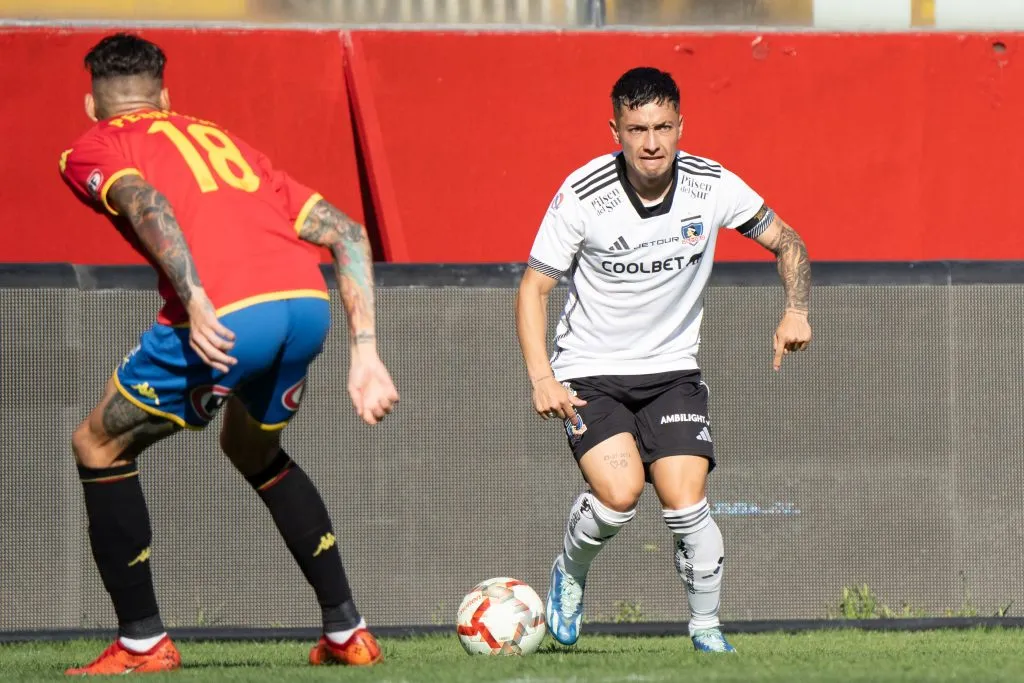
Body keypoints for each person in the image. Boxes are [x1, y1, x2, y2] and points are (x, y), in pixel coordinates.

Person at [58, 33, 399, 675]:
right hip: (307, 306)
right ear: (165, 97)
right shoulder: (225, 142)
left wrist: (195, 299)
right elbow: (349, 234)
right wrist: (366, 352)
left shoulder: (93, 146)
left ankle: (142, 643)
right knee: (253, 450)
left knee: (97, 445)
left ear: (92, 105)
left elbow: (146, 201)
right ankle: (347, 631)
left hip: (230, 314)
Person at [515, 66, 812, 653]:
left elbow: (788, 240)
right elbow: (533, 289)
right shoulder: (582, 194)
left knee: (687, 502)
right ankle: (570, 570)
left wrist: (796, 309)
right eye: (637, 129)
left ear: (681, 126)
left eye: (663, 127)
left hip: (673, 372)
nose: (651, 143)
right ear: (615, 132)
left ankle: (707, 631)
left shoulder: (712, 185)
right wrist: (541, 377)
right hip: (590, 372)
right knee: (620, 494)